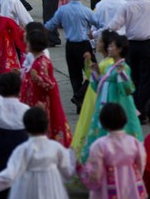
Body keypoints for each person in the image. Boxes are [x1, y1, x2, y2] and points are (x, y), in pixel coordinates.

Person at [0, 107, 73, 199]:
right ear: (47, 126)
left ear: (25, 127)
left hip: (26, 189)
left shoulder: (22, 149)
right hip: (52, 188)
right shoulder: (55, 147)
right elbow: (68, 171)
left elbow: (9, 175)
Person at [80, 35, 142, 163]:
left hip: (117, 103)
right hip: (105, 104)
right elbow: (99, 86)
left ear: (119, 49)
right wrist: (95, 74)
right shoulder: (109, 67)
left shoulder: (124, 68)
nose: (109, 48)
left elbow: (127, 89)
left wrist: (121, 75)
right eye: (109, 46)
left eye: (112, 46)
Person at [78, 103, 147, 199]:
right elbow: (141, 163)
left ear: (102, 122)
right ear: (125, 120)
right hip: (131, 185)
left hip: (108, 188)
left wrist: (80, 169)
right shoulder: (134, 142)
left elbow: (95, 172)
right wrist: (136, 176)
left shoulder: (99, 145)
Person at [19, 30, 72, 147]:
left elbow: (49, 84)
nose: (26, 45)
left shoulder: (41, 62)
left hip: (41, 101)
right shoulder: (37, 60)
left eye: (28, 43)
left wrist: (36, 78)